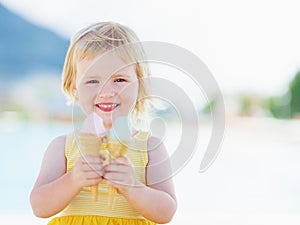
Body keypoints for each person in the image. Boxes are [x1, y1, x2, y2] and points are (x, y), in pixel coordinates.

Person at [30, 22, 177, 225]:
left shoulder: (150, 147)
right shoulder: (62, 147)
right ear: (74, 88)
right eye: (92, 81)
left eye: (119, 80)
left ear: (140, 84)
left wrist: (132, 187)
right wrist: (73, 180)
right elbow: (39, 206)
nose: (106, 92)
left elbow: (166, 212)